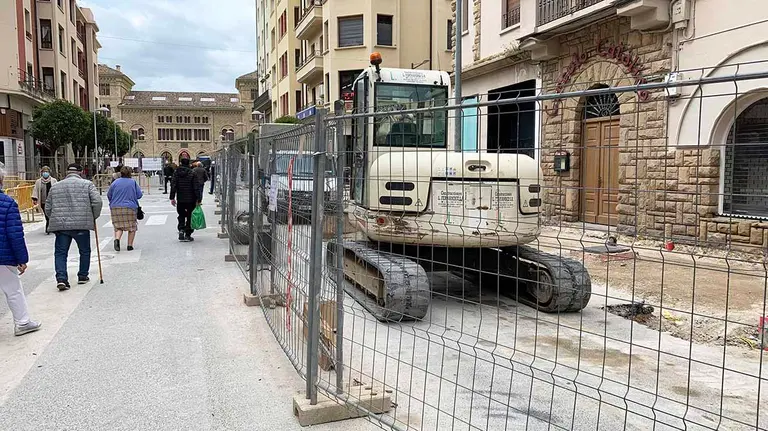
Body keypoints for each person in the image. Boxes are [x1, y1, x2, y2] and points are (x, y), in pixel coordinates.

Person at [44, 163, 102, 291]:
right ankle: (82, 275)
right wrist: (93, 216)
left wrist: (54, 218)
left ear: (67, 172)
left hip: (62, 226)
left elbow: (48, 207)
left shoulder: (55, 186)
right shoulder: (87, 184)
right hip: (81, 224)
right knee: (84, 251)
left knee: (61, 253)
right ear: (80, 172)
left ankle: (61, 279)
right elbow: (97, 202)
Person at [0, 166, 41, 336]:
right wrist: (21, 259)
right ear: (1, 180)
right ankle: (22, 322)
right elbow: (15, 234)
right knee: (13, 290)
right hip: (3, 257)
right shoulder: (8, 203)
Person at [107, 166, 143, 252]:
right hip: (130, 207)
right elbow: (139, 195)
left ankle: (117, 239)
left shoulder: (115, 182)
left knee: (118, 226)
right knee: (132, 227)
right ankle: (129, 245)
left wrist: (113, 202)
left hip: (115, 207)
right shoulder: (132, 182)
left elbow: (109, 195)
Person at [170, 158, 201, 242]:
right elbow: (196, 187)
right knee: (190, 216)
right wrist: (199, 198)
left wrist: (172, 198)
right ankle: (188, 234)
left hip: (180, 198)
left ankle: (181, 229)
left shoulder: (176, 172)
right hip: (191, 199)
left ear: (181, 163)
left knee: (181, 215)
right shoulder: (192, 173)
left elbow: (173, 185)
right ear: (189, 164)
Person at [31, 166, 57, 235]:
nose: (45, 173)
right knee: (46, 214)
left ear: (49, 172)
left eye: (47, 172)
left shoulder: (53, 181)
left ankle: (49, 227)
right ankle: (49, 227)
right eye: (44, 172)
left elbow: (57, 189)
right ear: (41, 173)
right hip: (43, 201)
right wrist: (35, 199)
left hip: (52, 201)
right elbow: (35, 190)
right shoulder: (38, 182)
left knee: (51, 214)